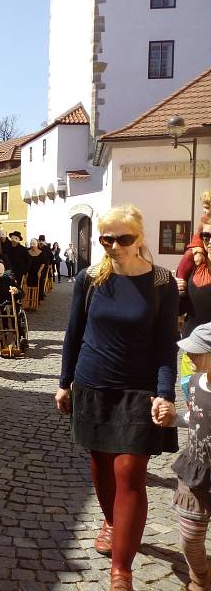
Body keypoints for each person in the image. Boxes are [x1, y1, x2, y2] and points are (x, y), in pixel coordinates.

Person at [56, 204, 179, 591]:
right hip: (93, 386)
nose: (113, 246)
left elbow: (166, 345)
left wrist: (165, 393)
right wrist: (64, 383)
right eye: (105, 238)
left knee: (129, 473)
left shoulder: (161, 282)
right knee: (101, 467)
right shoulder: (90, 278)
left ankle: (121, 571)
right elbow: (73, 333)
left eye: (122, 238)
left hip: (139, 391)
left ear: (139, 238)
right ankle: (110, 521)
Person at [155, 322, 211, 591]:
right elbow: (195, 416)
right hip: (196, 469)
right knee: (189, 536)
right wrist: (174, 419)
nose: (187, 356)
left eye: (195, 352)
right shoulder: (196, 383)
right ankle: (199, 576)